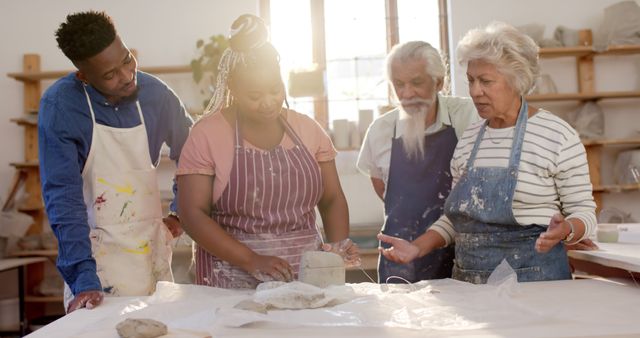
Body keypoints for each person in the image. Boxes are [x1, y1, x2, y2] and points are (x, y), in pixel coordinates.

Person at [378, 22, 597, 283]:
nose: (474, 91)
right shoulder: (470, 138)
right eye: (470, 80)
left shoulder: (557, 135)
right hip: (471, 285)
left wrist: (567, 229)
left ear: (517, 81)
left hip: (538, 284)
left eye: (486, 81)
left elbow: (584, 212)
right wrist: (418, 247)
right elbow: (456, 219)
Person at [177, 14, 358, 289]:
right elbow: (192, 214)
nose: (267, 103)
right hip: (231, 276)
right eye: (254, 95)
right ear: (234, 89)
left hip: (306, 276)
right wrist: (250, 259)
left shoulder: (307, 129)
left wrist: (338, 248)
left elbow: (331, 199)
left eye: (275, 90)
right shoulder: (207, 135)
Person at [39, 11, 193, 312]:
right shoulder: (61, 107)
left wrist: (181, 213)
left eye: (127, 60)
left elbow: (194, 158)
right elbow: (62, 197)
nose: (126, 76)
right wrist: (83, 279)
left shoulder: (157, 96)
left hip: (152, 255)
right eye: (110, 75)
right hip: (96, 262)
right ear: (83, 76)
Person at [357, 41, 478, 283]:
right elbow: (382, 187)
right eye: (399, 84)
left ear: (439, 82)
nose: (407, 93)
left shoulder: (468, 116)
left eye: (416, 82)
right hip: (401, 256)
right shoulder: (380, 130)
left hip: (461, 253)